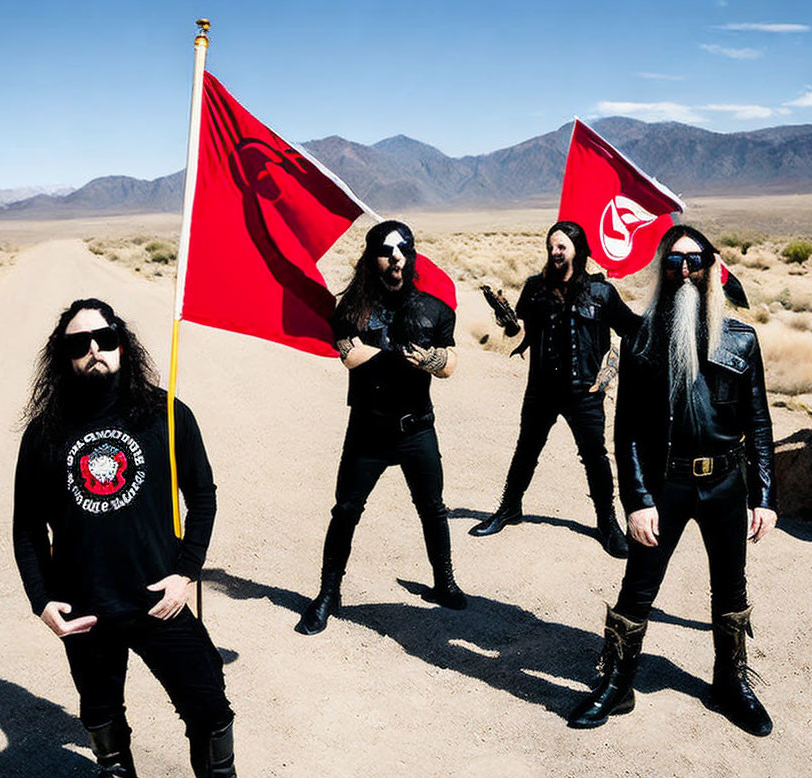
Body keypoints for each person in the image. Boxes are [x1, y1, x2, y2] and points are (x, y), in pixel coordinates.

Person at [12, 299, 262, 778]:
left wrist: (186, 570)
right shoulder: (44, 434)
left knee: (208, 705)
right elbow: (27, 528)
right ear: (63, 357)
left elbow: (203, 494)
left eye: (103, 338)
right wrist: (42, 600)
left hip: (159, 597)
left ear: (121, 342)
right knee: (99, 707)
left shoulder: (164, 414)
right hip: (86, 603)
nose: (93, 351)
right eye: (78, 345)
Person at [567, 226, 777, 736]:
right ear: (661, 269)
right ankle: (618, 684)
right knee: (638, 586)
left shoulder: (741, 339)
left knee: (731, 587)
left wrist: (765, 496)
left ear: (710, 267)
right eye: (674, 262)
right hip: (667, 485)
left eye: (695, 260)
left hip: (727, 482)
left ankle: (730, 682)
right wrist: (637, 500)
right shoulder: (641, 337)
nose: (685, 270)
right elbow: (629, 432)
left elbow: (760, 424)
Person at [298, 220, 464, 636]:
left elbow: (450, 365)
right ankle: (328, 594)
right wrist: (398, 357)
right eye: (387, 251)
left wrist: (427, 361)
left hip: (416, 430)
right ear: (373, 258)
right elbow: (349, 355)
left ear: (412, 255)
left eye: (403, 249)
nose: (396, 258)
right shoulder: (352, 309)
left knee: (433, 510)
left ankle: (444, 582)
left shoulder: (434, 310)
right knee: (346, 511)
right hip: (368, 432)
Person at [470, 221, 640, 558]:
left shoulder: (601, 292)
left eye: (561, 246)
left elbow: (632, 330)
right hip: (541, 390)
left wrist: (609, 372)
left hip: (585, 393)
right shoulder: (535, 289)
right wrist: (506, 320)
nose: (554, 252)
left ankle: (607, 524)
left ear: (577, 249)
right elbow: (517, 335)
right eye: (551, 246)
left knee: (595, 458)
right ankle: (509, 509)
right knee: (526, 450)